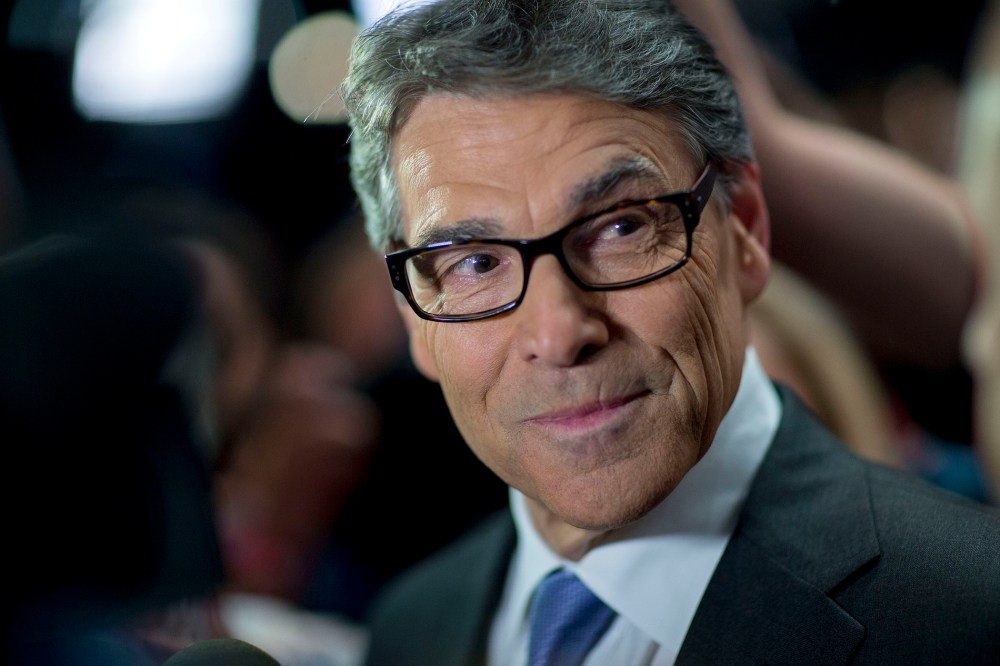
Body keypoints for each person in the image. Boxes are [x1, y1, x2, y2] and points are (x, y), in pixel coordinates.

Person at [339, 1, 1000, 663]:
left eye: (620, 227)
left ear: (745, 228)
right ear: (412, 314)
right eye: (476, 264)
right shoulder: (408, 631)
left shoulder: (969, 612)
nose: (560, 332)